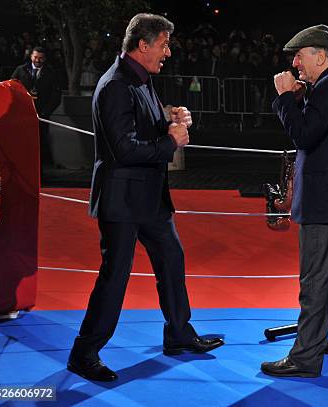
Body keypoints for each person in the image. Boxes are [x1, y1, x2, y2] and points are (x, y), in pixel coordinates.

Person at [67, 13, 223, 382]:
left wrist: (171, 116)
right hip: (122, 201)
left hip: (149, 198)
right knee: (115, 278)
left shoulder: (139, 79)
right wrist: (170, 141)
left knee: (172, 258)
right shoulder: (116, 85)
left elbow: (141, 126)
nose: (167, 52)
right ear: (143, 44)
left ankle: (179, 334)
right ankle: (83, 353)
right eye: (164, 44)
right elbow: (123, 148)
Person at [261, 24, 328, 378]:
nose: (294, 63)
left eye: (300, 55)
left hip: (325, 202)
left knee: (315, 282)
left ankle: (305, 358)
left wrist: (282, 97)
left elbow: (304, 134)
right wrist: (300, 96)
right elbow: (320, 129)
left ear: (320, 55)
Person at [11, 46, 61, 174]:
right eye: (35, 57)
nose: (38, 60)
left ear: (45, 59)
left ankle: (38, 174)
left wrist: (44, 113)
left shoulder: (51, 73)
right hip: (21, 116)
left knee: (39, 146)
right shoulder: (20, 70)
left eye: (41, 58)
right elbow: (11, 88)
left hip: (41, 116)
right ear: (31, 56)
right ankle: (20, 172)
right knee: (20, 144)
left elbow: (56, 96)